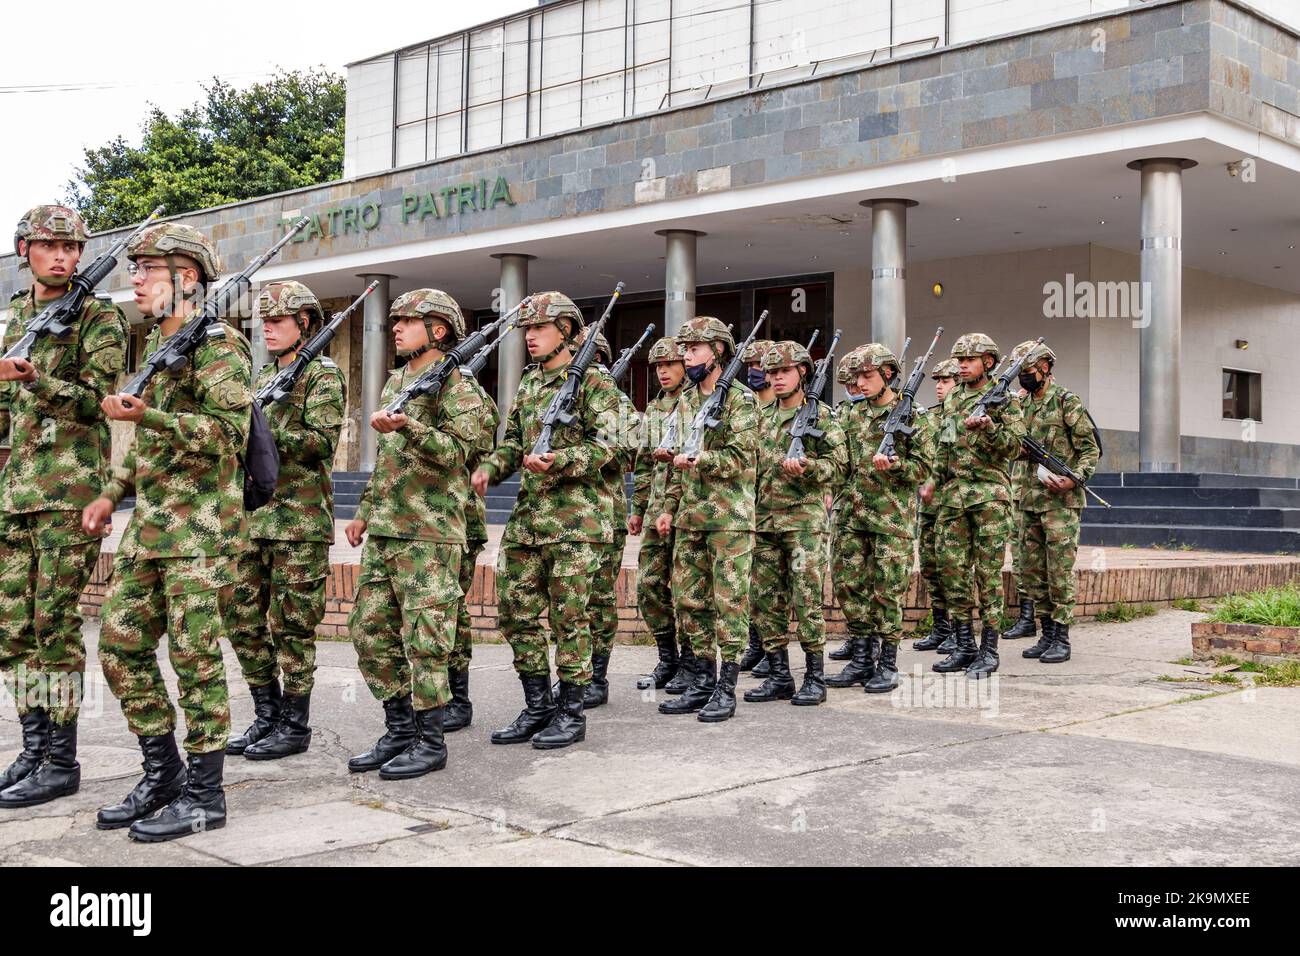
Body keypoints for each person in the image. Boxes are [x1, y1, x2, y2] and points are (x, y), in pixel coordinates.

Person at [85, 223, 251, 841]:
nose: (135, 278)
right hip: (151, 529)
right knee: (120, 644)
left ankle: (207, 795)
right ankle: (164, 772)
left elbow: (228, 435)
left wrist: (148, 412)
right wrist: (108, 494)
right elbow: (143, 443)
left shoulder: (218, 346)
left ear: (187, 278)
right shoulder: (155, 347)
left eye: (147, 268)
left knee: (195, 657)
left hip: (201, 533)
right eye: (134, 267)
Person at [0, 205, 128, 809]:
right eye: (52, 246)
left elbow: (99, 401)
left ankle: (60, 759)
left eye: (72, 248)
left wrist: (34, 381)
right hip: (16, 494)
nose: (64, 257)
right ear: (24, 248)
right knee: (12, 630)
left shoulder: (98, 317)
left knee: (53, 628)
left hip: (69, 495)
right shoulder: (18, 318)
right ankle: (32, 747)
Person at [344, 289, 486, 779]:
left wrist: (410, 428)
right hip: (387, 529)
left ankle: (431, 740)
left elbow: (460, 453)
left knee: (426, 640)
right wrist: (365, 508)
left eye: (406, 320)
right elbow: (387, 461)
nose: (396, 328)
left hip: (431, 532)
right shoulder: (397, 381)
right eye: (395, 320)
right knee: (368, 629)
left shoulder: (459, 386)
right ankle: (400, 729)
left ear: (438, 330)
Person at [472, 292, 622, 749]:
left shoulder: (596, 384)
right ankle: (538, 707)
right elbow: (514, 441)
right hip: (529, 520)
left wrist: (561, 459)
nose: (530, 337)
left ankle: (571, 712)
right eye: (527, 330)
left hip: (578, 523)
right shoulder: (531, 384)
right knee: (516, 615)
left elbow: (616, 444)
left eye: (539, 329)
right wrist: (488, 470)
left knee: (570, 619)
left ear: (568, 332)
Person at [225, 281, 343, 761]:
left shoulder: (322, 376)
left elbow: (321, 442)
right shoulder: (261, 379)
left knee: (293, 627)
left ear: (305, 324)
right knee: (241, 618)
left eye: (278, 321)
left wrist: (263, 428)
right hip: (255, 521)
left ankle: (295, 725)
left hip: (299, 522)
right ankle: (266, 714)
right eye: (264, 322)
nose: (268, 329)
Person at [653, 316, 758, 723]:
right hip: (690, 518)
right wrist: (667, 507)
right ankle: (700, 681)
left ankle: (726, 687)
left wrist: (702, 457)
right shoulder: (686, 399)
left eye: (694, 349)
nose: (686, 357)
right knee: (689, 602)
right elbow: (676, 466)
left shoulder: (741, 399)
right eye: (685, 350)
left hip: (729, 519)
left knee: (729, 602)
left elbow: (742, 455)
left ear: (717, 352)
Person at [743, 341, 846, 706]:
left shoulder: (822, 417)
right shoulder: (762, 416)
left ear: (802, 372)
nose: (776, 378)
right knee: (765, 601)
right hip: (765, 521)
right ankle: (779, 675)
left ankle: (815, 677)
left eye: (783, 372)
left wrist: (810, 467)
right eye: (771, 373)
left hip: (803, 523)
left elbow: (840, 466)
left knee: (806, 599)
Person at [826, 344, 932, 694]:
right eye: (856, 377)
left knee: (887, 591)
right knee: (848, 586)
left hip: (891, 519)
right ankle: (860, 659)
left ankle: (887, 663)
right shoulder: (850, 414)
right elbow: (838, 459)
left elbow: (924, 468)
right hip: (851, 516)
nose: (860, 383)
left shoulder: (913, 413)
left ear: (887, 374)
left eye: (868, 376)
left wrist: (897, 465)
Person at [932, 333, 1025, 678]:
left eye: (969, 360)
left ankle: (989, 648)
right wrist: (933, 481)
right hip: (953, 497)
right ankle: (963, 644)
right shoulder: (954, 396)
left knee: (987, 574)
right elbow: (945, 444)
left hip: (989, 497)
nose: (963, 366)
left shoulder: (1005, 401)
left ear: (988, 362)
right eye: (959, 361)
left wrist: (989, 430)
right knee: (952, 571)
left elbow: (1016, 447)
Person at [1011, 341, 1100, 664]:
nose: (1024, 377)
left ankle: (1061, 637)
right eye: (1020, 372)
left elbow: (1090, 449)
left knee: (1058, 571)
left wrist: (1075, 477)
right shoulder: (1020, 405)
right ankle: (1045, 633)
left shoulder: (1066, 402)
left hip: (1060, 502)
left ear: (1045, 368)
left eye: (1028, 371)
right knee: (1033, 572)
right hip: (1027, 499)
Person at [632, 337, 688, 692]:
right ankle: (667, 657)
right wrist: (637, 508)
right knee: (648, 585)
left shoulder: (698, 403)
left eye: (669, 364)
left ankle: (692, 663)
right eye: (658, 366)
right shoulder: (653, 409)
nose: (663, 372)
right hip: (655, 513)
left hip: (687, 510)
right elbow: (643, 465)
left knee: (688, 591)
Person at [914, 358, 960, 652]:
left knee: (953, 569)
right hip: (929, 507)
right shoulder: (929, 418)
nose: (940, 387)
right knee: (930, 567)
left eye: (947, 381)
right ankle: (941, 626)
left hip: (953, 504)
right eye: (938, 382)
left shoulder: (962, 417)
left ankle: (959, 630)